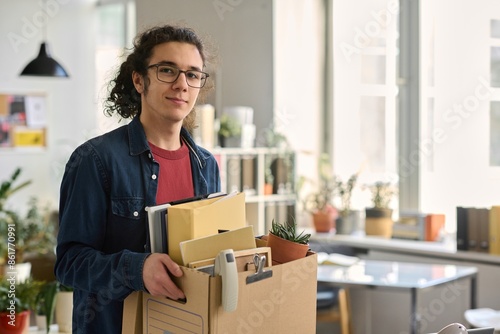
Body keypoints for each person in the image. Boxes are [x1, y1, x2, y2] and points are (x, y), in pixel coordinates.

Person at [54, 24, 221, 334]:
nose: (182, 84)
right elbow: (69, 263)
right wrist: (137, 269)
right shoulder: (95, 160)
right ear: (139, 79)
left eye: (193, 74)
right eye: (168, 70)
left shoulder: (207, 165)